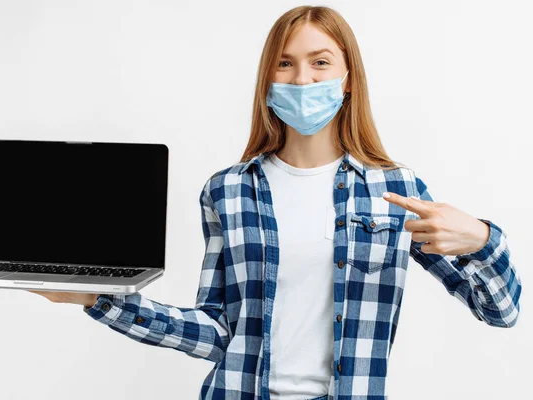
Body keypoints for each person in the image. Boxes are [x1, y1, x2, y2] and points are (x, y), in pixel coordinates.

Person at [29, 5, 522, 400]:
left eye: (320, 61)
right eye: (285, 63)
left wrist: (482, 240)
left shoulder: (395, 189)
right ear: (267, 79)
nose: (302, 79)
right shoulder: (227, 190)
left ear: (348, 78)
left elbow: (499, 311)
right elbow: (217, 333)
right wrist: (99, 299)